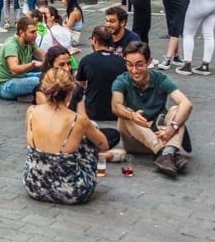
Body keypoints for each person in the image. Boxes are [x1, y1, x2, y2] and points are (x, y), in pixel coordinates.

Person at [23, 65, 110, 205]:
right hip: (72, 191)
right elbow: (104, 144)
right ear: (70, 92)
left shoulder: (31, 111)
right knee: (91, 128)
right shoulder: (78, 120)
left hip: (34, 185)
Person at [112, 42, 194, 178]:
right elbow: (115, 106)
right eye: (129, 65)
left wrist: (172, 128)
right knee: (124, 113)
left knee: (177, 110)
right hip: (135, 140)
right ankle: (169, 152)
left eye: (139, 64)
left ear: (149, 62)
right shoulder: (121, 81)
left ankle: (166, 155)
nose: (134, 70)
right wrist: (131, 115)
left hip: (160, 133)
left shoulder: (160, 79)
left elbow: (186, 104)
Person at [72, 26, 125, 148]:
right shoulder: (121, 61)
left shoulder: (87, 60)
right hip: (115, 112)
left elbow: (80, 85)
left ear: (95, 40)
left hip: (93, 112)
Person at [0, 16, 45, 101]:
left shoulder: (30, 41)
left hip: (20, 77)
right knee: (36, 81)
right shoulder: (12, 45)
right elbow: (14, 69)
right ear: (21, 32)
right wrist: (32, 64)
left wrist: (55, 58)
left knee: (47, 75)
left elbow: (41, 54)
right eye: (32, 32)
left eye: (36, 32)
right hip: (4, 86)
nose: (35, 35)